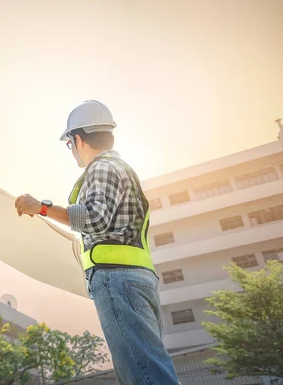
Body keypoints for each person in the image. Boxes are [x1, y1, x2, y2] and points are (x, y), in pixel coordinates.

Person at [15, 100, 180, 384]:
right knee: (147, 367)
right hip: (133, 278)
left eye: (70, 144)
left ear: (78, 139)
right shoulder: (121, 167)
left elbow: (95, 218)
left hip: (117, 279)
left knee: (143, 374)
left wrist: (41, 208)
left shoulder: (102, 167)